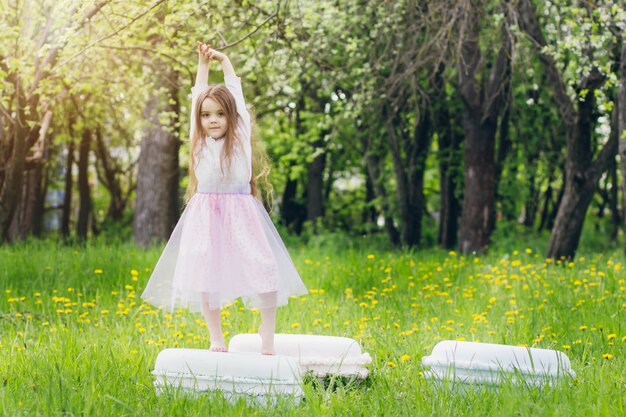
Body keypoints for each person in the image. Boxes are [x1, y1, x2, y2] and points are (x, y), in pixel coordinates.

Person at [141, 41, 308, 355]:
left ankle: (267, 332)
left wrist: (225, 60)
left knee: (263, 268)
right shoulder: (200, 141)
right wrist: (202, 64)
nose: (212, 119)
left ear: (233, 117)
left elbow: (235, 93)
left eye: (220, 113)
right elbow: (197, 95)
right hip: (205, 215)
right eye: (206, 115)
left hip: (242, 212)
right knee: (206, 275)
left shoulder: (240, 136)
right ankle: (215, 336)